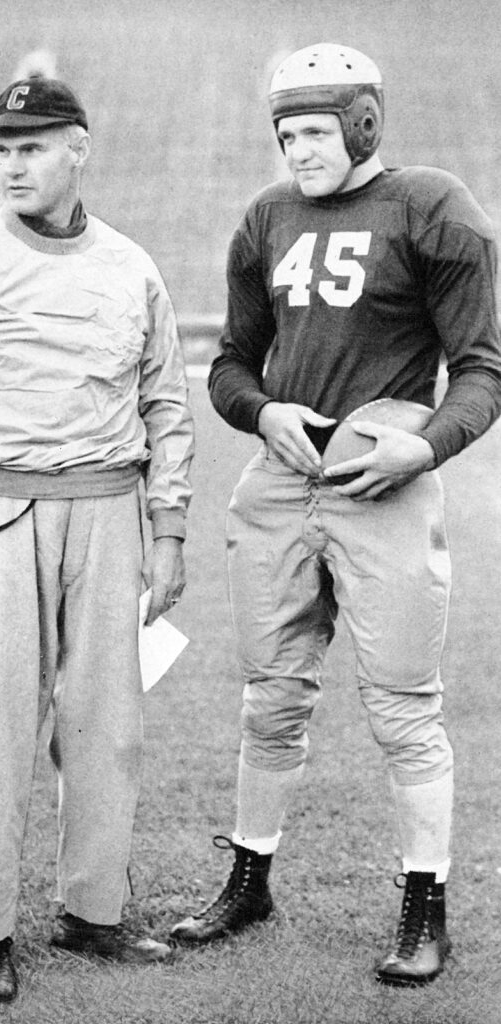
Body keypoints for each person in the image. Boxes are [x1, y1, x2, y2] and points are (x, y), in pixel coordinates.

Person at [170, 43, 501, 985]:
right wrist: (264, 409)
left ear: (362, 124)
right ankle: (249, 878)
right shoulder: (266, 218)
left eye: (315, 130)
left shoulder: (429, 204)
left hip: (381, 482)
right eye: (285, 133)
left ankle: (424, 905)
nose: (299, 150)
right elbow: (233, 364)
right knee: (269, 696)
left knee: (403, 708)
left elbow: (482, 367)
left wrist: (424, 445)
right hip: (283, 486)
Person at [0, 74, 194, 1002]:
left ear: (78, 149)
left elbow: (166, 404)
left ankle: (93, 914)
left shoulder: (131, 266)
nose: (12, 164)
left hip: (106, 513)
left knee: (107, 727)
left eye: (33, 147)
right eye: (3, 150)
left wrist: (167, 530)